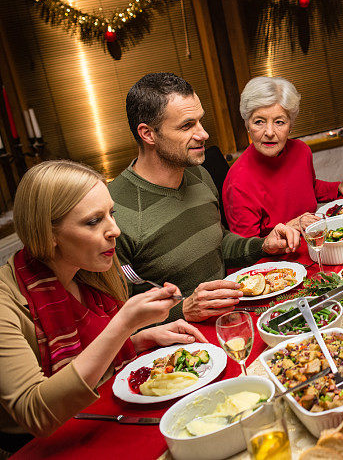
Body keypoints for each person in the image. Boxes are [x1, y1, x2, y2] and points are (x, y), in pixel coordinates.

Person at [0, 161, 206, 448]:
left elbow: (90, 353)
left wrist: (136, 340)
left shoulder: (91, 268)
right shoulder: (6, 300)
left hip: (102, 414)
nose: (115, 231)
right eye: (94, 221)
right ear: (50, 234)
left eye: (112, 213)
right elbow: (36, 414)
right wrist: (123, 324)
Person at [109, 73, 301, 323]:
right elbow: (114, 319)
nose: (204, 134)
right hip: (180, 351)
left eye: (200, 121)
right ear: (148, 134)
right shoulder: (114, 212)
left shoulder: (199, 175)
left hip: (234, 320)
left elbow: (218, 243)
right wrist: (183, 310)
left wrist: (261, 245)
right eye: (187, 126)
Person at [222, 77, 343, 237]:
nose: (269, 132)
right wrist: (289, 227)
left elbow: (307, 187)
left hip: (314, 242)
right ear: (247, 125)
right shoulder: (238, 182)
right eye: (259, 122)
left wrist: (338, 188)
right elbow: (245, 250)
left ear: (291, 125)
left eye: (279, 122)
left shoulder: (301, 151)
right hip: (278, 260)